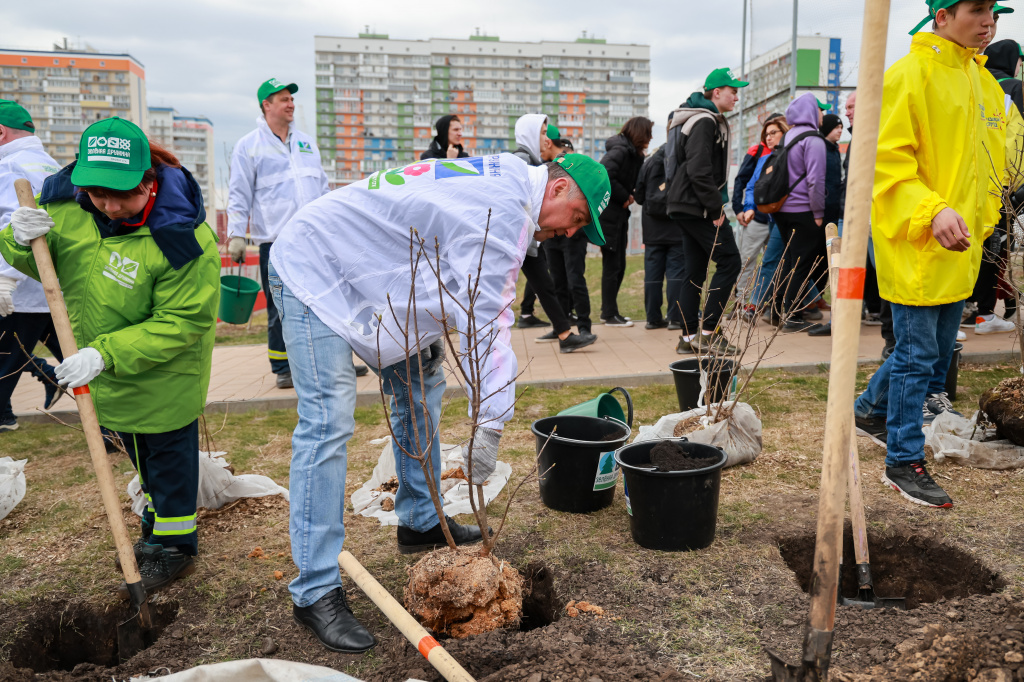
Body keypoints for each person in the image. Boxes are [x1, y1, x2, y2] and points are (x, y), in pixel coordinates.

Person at [269, 152, 610, 653]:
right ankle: (315, 591)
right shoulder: (503, 212)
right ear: (558, 188)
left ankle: (421, 519)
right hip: (315, 264)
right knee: (328, 419)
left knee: (420, 384)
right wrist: (490, 424)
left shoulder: (509, 184)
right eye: (577, 217)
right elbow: (485, 320)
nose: (570, 232)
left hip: (376, 276)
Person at [0, 117, 220, 589]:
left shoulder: (182, 237)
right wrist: (14, 239)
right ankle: (154, 529)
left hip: (163, 375)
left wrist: (104, 354)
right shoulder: (69, 208)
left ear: (148, 181)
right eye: (99, 194)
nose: (111, 206)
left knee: (168, 465)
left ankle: (176, 547)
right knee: (140, 458)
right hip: (108, 374)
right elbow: (43, 260)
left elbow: (183, 320)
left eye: (123, 195)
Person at [856, 0, 1010, 509]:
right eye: (976, 10)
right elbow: (884, 161)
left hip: (962, 247)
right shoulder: (909, 75)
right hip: (919, 241)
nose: (988, 22)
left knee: (934, 354)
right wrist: (931, 210)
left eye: (993, 12)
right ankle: (903, 460)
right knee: (918, 357)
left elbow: (994, 159)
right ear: (942, 16)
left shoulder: (984, 83)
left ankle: (868, 410)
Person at [227, 78, 341, 390]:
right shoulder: (249, 146)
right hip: (275, 242)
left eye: (291, 99)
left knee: (324, 301)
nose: (291, 104)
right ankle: (282, 367)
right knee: (280, 308)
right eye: (284, 99)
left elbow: (321, 188)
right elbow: (239, 194)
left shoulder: (306, 143)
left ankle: (330, 362)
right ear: (267, 105)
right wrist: (236, 235)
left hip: (312, 240)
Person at [666, 68, 748, 355]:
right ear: (716, 92)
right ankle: (709, 333)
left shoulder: (699, 118)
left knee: (694, 271)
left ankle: (688, 338)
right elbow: (698, 169)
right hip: (698, 206)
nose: (736, 97)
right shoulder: (704, 120)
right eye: (733, 91)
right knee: (730, 261)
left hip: (685, 204)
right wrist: (714, 209)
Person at [0, 100, 63, 432]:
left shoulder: (9, 166)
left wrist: (5, 278)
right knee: (78, 358)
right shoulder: (47, 163)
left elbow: (16, 226)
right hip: (48, 285)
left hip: (19, 289)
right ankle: (117, 427)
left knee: (5, 362)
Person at [512, 114, 596, 352]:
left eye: (546, 133)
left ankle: (567, 331)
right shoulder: (523, 162)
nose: (546, 140)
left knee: (553, 282)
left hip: (532, 239)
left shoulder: (538, 162)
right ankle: (563, 331)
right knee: (547, 282)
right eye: (541, 133)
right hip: (528, 239)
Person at [968, 36, 1022, 335]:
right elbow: (1016, 141)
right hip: (1000, 186)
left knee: (972, 247)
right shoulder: (1013, 89)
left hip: (970, 182)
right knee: (995, 250)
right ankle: (985, 314)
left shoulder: (974, 79)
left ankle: (968, 309)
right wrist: (1013, 184)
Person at [771, 93, 827, 333]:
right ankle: (792, 317)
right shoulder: (813, 139)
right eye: (819, 110)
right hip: (803, 209)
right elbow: (816, 180)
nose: (822, 114)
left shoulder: (789, 136)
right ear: (811, 112)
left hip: (782, 209)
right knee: (802, 265)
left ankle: (775, 311)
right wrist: (818, 212)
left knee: (788, 261)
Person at [597, 117, 653, 327]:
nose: (651, 138)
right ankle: (609, 314)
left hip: (619, 216)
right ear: (640, 133)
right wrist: (624, 196)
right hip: (609, 216)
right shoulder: (620, 151)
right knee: (613, 266)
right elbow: (603, 175)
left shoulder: (634, 154)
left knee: (619, 265)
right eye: (648, 133)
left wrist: (631, 194)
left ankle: (610, 311)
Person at [736, 115, 789, 319]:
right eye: (766, 134)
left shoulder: (793, 154)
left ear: (784, 131)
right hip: (764, 219)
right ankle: (746, 304)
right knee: (760, 261)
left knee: (786, 263)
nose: (768, 137)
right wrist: (748, 207)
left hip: (788, 218)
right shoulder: (763, 158)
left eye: (773, 133)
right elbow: (751, 185)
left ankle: (794, 305)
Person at [635, 145, 684, 330]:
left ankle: (653, 318)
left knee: (652, 275)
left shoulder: (649, 163)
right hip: (676, 225)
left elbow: (639, 196)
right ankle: (675, 318)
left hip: (652, 229)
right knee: (676, 274)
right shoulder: (681, 161)